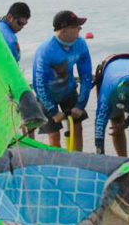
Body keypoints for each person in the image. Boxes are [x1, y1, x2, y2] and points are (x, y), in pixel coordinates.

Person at [32, 10, 93, 150]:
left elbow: (86, 76)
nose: (80, 30)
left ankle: (78, 160)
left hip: (68, 89)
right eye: (77, 27)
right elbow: (39, 84)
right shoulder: (46, 50)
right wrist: (53, 111)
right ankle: (60, 162)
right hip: (47, 94)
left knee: (77, 127)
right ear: (64, 31)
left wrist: (80, 105)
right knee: (54, 135)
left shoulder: (81, 44)